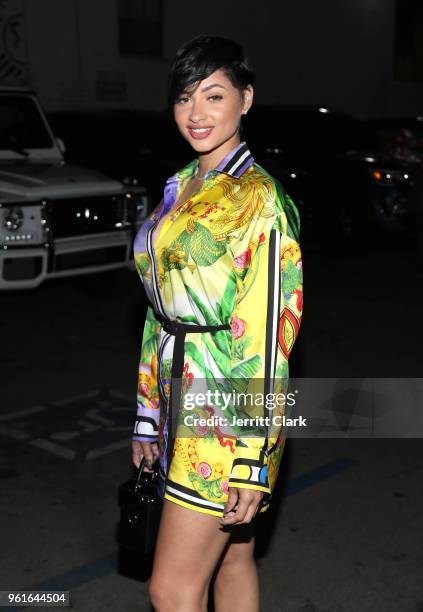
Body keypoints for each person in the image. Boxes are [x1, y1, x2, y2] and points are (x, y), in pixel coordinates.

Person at [131, 35, 303, 612]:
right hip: (178, 399)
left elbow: (270, 338)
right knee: (232, 559)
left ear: (246, 99)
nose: (196, 114)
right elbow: (161, 315)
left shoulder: (260, 199)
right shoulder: (179, 187)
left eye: (213, 95)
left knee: (171, 590)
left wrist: (253, 457)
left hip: (228, 417)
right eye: (185, 98)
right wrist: (148, 413)